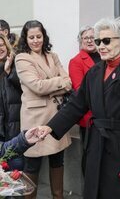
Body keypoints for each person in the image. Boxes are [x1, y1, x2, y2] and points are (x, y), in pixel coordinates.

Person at [37, 17, 120, 199]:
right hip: (96, 147)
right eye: (98, 41)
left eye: (107, 41)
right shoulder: (94, 72)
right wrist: (50, 126)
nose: (101, 45)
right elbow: (77, 104)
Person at [15, 20, 72, 199]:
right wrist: (59, 82)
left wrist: (55, 83)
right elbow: (38, 86)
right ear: (26, 38)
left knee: (58, 160)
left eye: (38, 36)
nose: (35, 40)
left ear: (43, 36)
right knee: (32, 164)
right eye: (31, 37)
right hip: (35, 118)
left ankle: (58, 196)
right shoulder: (22, 57)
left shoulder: (52, 55)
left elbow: (69, 82)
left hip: (56, 116)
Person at [68, 25, 100, 141]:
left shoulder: (104, 57)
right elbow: (80, 90)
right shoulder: (76, 61)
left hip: (107, 115)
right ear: (81, 41)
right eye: (86, 38)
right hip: (89, 116)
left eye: (92, 37)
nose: (90, 40)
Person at [0, 34, 23, 172]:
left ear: (6, 46)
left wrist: (9, 71)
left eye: (1, 45)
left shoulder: (16, 63)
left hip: (14, 128)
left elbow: (24, 88)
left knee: (16, 170)